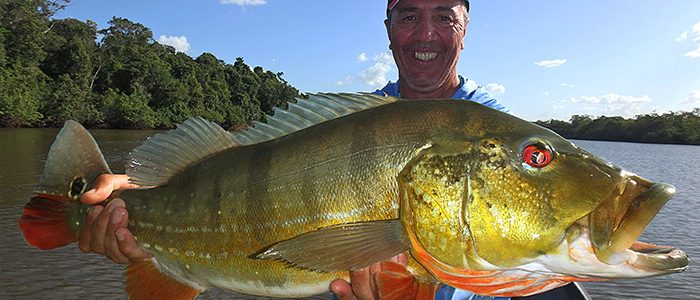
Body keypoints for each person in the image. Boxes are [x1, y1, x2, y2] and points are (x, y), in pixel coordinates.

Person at [79, 1, 587, 299]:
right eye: (408, 15)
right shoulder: (357, 121)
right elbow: (244, 165)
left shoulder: (497, 134)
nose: (425, 34)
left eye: (444, 17)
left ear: (465, 30)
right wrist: (137, 192)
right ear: (388, 30)